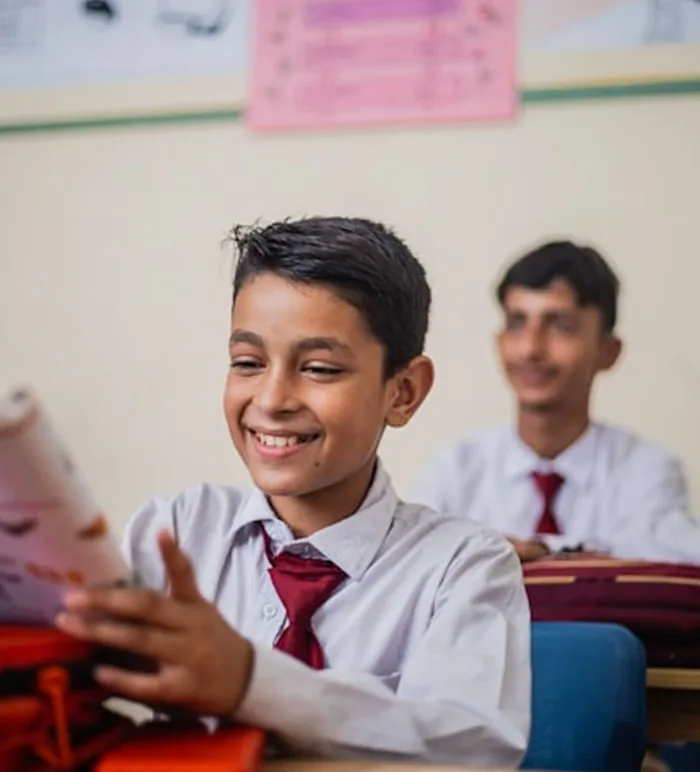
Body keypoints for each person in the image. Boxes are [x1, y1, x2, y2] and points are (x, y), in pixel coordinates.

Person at [55, 217, 531, 765]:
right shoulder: (178, 531)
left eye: (320, 368)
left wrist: (251, 683)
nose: (273, 398)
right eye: (248, 363)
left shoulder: (463, 565)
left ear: (402, 392)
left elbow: (473, 747)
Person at [411, 240, 700, 564]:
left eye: (561, 326)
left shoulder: (646, 470)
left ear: (609, 351)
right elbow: (410, 561)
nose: (531, 348)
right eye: (517, 324)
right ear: (499, 341)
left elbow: (674, 555)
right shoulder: (456, 470)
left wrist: (546, 550)